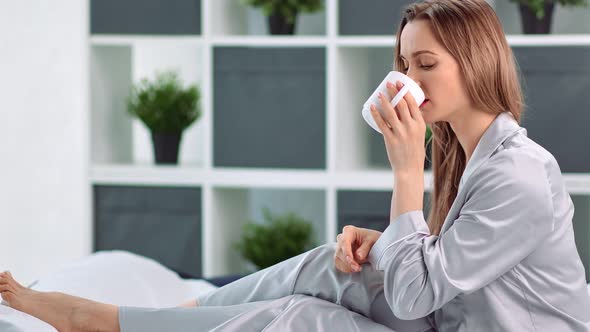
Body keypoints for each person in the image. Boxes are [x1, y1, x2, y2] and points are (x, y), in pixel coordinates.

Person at [2, 0, 590, 330]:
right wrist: (386, 241)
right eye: (404, 65)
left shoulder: (515, 173)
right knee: (331, 269)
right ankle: (149, 318)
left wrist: (406, 172)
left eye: (425, 64)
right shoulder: (473, 156)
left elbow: (417, 297)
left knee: (303, 320)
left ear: (474, 62)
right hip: (449, 318)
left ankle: (115, 323)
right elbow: (448, 267)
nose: (407, 82)